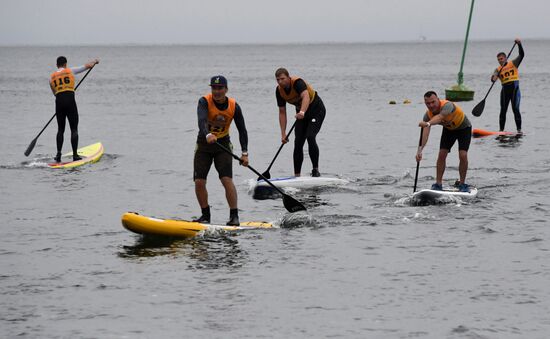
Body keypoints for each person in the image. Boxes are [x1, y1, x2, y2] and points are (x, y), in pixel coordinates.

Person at [193, 76, 249, 226]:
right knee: (199, 181)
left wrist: (245, 154)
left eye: (220, 88)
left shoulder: (234, 106)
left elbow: (242, 130)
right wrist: (207, 134)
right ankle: (205, 215)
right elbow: (201, 120)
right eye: (214, 88)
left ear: (226, 89)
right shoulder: (204, 101)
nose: (217, 91)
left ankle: (234, 216)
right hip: (204, 144)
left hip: (223, 145)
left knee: (226, 180)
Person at [416, 91, 472, 192]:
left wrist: (428, 123)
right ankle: (438, 184)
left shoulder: (447, 105)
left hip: (464, 128)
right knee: (442, 154)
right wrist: (420, 150)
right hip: (449, 130)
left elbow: (440, 117)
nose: (431, 105)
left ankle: (462, 184)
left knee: (463, 155)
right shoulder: (427, 115)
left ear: (438, 99)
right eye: (428, 103)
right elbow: (425, 134)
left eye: (433, 102)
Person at [275, 68, 326, 177]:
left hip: (316, 109)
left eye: (282, 79)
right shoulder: (279, 91)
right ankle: (297, 176)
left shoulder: (298, 83)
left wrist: (302, 112)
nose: (280, 82)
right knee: (298, 142)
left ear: (288, 78)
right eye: (278, 80)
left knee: (310, 136)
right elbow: (282, 112)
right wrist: (283, 133)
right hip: (301, 113)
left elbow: (306, 97)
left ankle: (315, 170)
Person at [50, 56, 99, 162]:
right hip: (70, 102)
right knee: (74, 129)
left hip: (59, 103)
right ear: (65, 64)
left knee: (60, 129)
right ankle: (75, 155)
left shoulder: (52, 77)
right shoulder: (70, 71)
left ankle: (58, 155)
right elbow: (87, 66)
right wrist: (95, 61)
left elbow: (55, 93)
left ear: (57, 65)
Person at [491, 38, 524, 134]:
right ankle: (501, 130)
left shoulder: (513, 63)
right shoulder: (497, 69)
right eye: (498, 60)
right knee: (503, 110)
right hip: (505, 90)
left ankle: (519, 130)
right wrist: (494, 78)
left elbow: (522, 55)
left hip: (514, 88)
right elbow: (493, 79)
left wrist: (519, 44)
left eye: (501, 59)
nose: (500, 61)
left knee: (515, 109)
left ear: (505, 58)